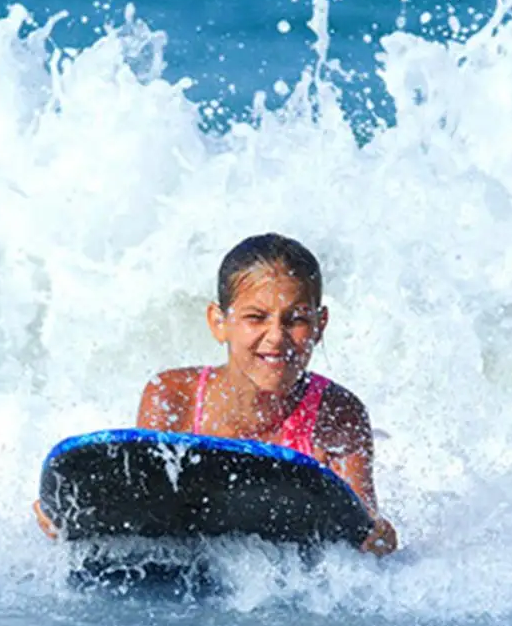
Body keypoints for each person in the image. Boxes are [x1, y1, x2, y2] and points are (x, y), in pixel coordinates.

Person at [135, 232, 397, 556]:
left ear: (320, 324)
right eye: (255, 318)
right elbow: (141, 507)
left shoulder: (336, 415)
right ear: (219, 322)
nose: (276, 337)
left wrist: (378, 538)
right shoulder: (174, 398)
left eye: (297, 319)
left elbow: (368, 536)